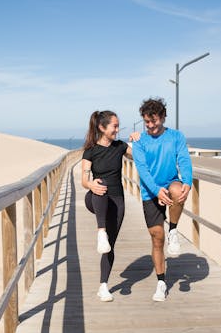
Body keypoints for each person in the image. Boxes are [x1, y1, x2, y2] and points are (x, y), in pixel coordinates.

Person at [131, 97, 192, 302]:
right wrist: (157, 191)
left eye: (154, 121)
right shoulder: (140, 141)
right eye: (147, 122)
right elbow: (142, 170)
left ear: (163, 117)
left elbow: (183, 159)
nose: (150, 126)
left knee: (178, 191)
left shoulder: (176, 136)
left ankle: (173, 229)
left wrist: (188, 181)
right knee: (157, 237)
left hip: (170, 183)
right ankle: (161, 282)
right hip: (150, 192)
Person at [81, 110, 132, 302]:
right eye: (115, 126)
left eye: (118, 126)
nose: (118, 130)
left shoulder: (120, 147)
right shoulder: (91, 151)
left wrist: (140, 140)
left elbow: (139, 158)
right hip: (95, 198)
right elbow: (84, 180)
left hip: (117, 200)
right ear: (102, 127)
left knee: (109, 246)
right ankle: (100, 231)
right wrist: (91, 184)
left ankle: (103, 286)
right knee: (100, 184)